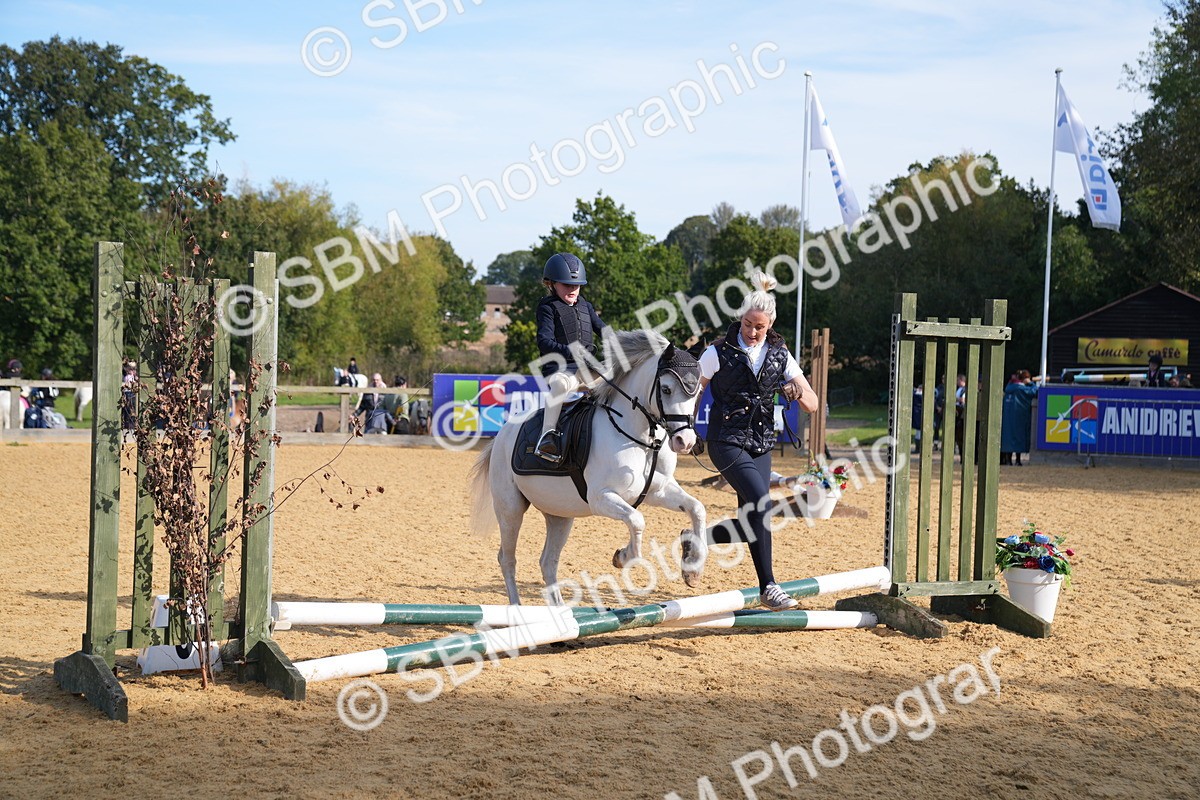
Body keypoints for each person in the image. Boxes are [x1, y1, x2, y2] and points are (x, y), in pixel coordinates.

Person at [686, 272, 818, 611]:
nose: (753, 332)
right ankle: (768, 586)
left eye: (759, 327)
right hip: (725, 439)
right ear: (740, 319)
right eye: (748, 324)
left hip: (761, 444)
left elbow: (812, 403)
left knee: (750, 524)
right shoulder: (718, 352)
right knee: (761, 502)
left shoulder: (780, 355)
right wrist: (690, 429)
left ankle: (697, 538)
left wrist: (796, 389)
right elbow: (696, 393)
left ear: (770, 323)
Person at [533, 252, 607, 463]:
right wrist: (573, 351)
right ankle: (547, 436)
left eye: (576, 285)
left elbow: (603, 330)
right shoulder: (547, 307)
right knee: (559, 385)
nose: (573, 289)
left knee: (622, 378)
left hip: (587, 372)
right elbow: (544, 342)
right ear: (551, 284)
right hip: (560, 371)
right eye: (566, 285)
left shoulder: (586, 305)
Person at [1000, 369, 1039, 466]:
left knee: (1008, 438)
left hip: (1008, 418)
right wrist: (1031, 383)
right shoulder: (1022, 389)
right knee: (1019, 439)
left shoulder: (1009, 388)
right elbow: (1035, 391)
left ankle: (1008, 460)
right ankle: (1017, 460)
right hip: (1020, 417)